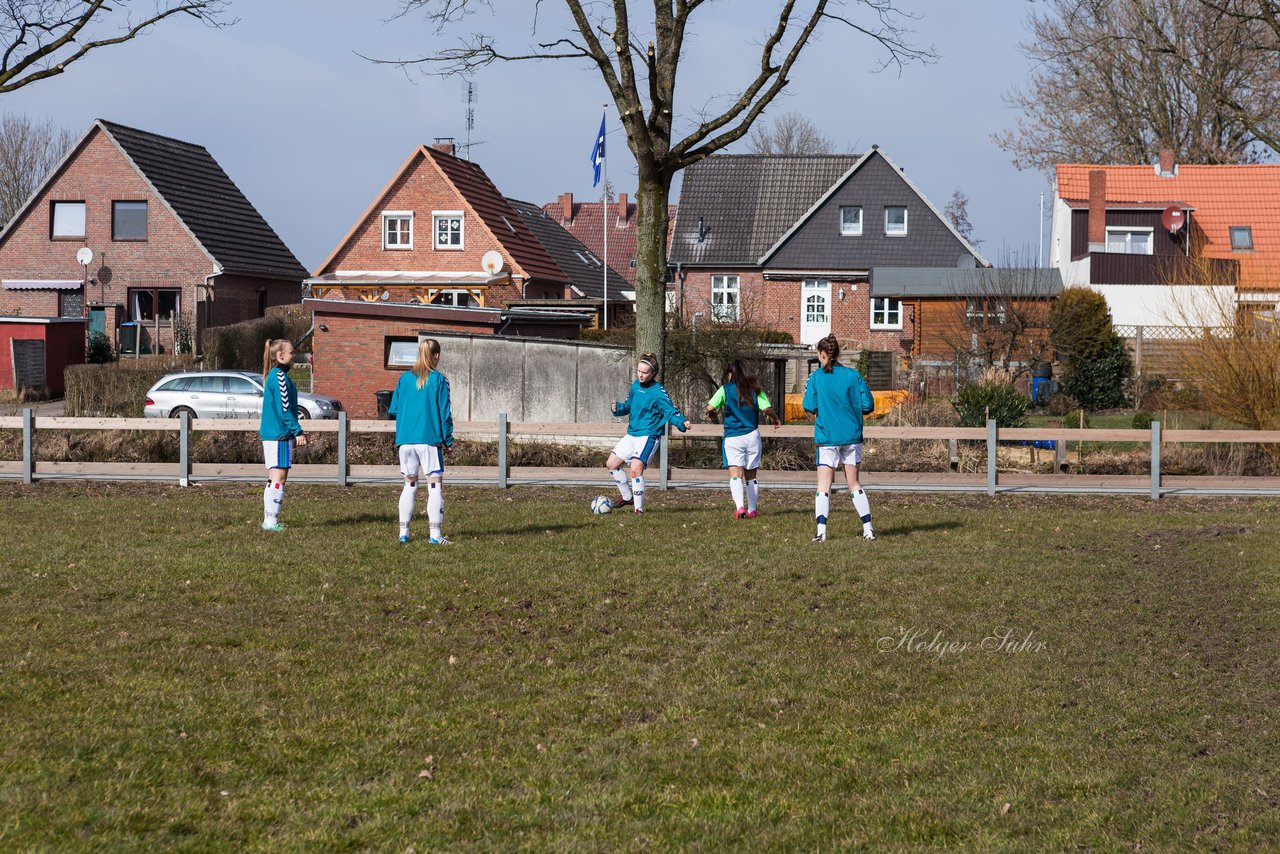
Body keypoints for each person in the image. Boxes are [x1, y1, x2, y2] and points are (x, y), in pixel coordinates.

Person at [802, 334, 876, 542]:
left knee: (823, 486)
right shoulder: (854, 376)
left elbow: (809, 405)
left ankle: (821, 532)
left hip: (827, 437)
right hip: (851, 435)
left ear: (823, 354)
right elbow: (868, 405)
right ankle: (868, 529)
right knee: (854, 484)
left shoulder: (816, 377)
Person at [389, 338, 454, 544]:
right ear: (436, 356)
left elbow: (393, 409)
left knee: (409, 486)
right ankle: (435, 535)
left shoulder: (404, 379)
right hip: (428, 439)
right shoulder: (439, 380)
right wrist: (448, 439)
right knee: (434, 486)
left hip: (405, 440)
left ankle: (403, 533)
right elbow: (445, 413)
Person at [606, 352, 689, 513]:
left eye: (644, 373)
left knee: (635, 469)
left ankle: (639, 510)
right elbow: (629, 405)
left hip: (649, 435)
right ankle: (627, 498)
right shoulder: (635, 386)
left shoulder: (658, 391)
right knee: (611, 464)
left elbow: (670, 411)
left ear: (653, 374)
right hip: (632, 434)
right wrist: (618, 408)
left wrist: (682, 422)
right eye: (638, 371)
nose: (641, 375)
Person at [705, 359, 780, 519]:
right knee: (751, 475)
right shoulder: (756, 390)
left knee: (735, 474)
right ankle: (752, 510)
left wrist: (713, 414)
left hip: (733, 437)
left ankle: (740, 508)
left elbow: (710, 407)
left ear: (731, 374)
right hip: (752, 436)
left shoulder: (726, 389)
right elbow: (766, 408)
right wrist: (775, 418)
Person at [260, 338, 306, 531]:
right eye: (291, 352)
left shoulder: (274, 375)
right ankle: (271, 521)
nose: (293, 355)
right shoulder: (279, 376)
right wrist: (297, 431)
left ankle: (268, 520)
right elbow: (284, 409)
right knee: (279, 479)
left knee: (273, 478)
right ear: (280, 356)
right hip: (279, 434)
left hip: (274, 434)